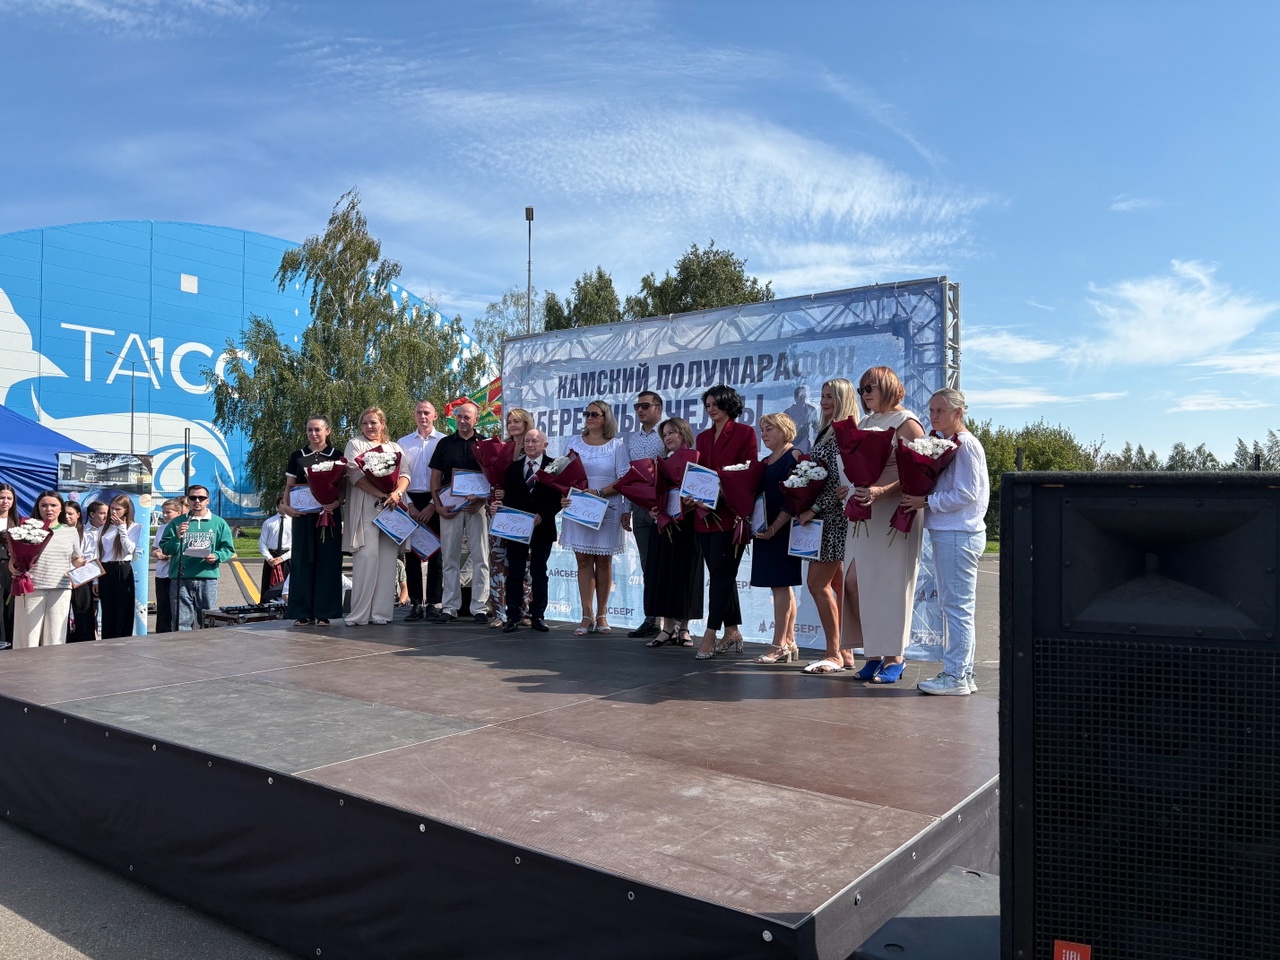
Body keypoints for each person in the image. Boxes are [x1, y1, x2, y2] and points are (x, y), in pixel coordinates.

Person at [841, 366, 926, 683]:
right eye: (861, 389)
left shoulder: (908, 423)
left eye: (870, 387)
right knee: (854, 581)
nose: (864, 394)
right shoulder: (865, 422)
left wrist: (882, 491)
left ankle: (894, 658)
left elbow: (918, 473)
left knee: (890, 585)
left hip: (895, 513)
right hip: (865, 511)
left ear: (889, 386)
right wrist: (848, 488)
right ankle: (873, 653)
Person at [902, 388, 989, 696]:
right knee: (954, 605)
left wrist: (927, 501)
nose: (933, 416)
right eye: (931, 410)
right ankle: (963, 673)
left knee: (957, 607)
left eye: (940, 410)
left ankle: (956, 675)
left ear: (958, 413)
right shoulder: (950, 443)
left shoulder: (965, 445)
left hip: (958, 533)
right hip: (951, 532)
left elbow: (967, 493)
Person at [692, 384, 759, 659]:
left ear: (728, 404)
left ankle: (709, 634)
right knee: (721, 575)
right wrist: (693, 494)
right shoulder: (703, 437)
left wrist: (721, 490)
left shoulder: (745, 432)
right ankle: (732, 630)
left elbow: (748, 471)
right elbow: (697, 473)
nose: (711, 409)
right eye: (707, 405)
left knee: (722, 575)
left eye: (716, 403)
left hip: (731, 514)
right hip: (703, 515)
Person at [796, 379, 857, 674]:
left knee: (817, 584)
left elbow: (839, 484)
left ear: (844, 399)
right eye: (822, 396)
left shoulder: (844, 433)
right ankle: (845, 651)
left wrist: (814, 508)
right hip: (829, 518)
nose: (824, 401)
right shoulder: (826, 431)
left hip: (833, 520)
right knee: (836, 585)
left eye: (830, 396)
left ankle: (834, 652)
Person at [560, 399, 630, 636]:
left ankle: (602, 615)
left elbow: (624, 480)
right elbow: (563, 475)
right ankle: (586, 614)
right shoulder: (574, 443)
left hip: (607, 507)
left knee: (603, 561)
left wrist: (599, 492)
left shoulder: (617, 446)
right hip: (579, 508)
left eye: (594, 414)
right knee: (582, 561)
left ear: (605, 417)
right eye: (587, 414)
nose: (589, 418)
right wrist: (564, 496)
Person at [343, 407, 410, 626]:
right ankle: (359, 614)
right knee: (366, 559)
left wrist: (396, 493)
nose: (369, 427)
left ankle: (381, 613)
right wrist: (381, 494)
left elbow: (405, 474)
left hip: (391, 509)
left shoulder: (394, 447)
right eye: (365, 423)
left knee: (388, 562)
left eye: (373, 422)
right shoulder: (355, 444)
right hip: (366, 507)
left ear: (382, 424)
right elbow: (354, 474)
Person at [491, 428, 561, 634]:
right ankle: (513, 616)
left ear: (544, 445)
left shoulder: (554, 467)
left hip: (542, 528)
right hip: (517, 528)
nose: (530, 445)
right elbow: (509, 497)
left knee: (539, 572)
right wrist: (500, 506)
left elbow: (559, 498)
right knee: (515, 572)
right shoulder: (513, 468)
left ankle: (537, 615)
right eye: (527, 441)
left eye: (535, 441)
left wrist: (543, 514)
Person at [642, 417, 703, 648]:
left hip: (688, 524)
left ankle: (684, 628)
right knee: (663, 573)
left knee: (687, 573)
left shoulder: (696, 458)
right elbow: (654, 493)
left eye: (671, 433)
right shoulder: (660, 463)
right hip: (664, 525)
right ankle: (667, 628)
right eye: (664, 434)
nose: (667, 438)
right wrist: (653, 508)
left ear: (683, 433)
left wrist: (692, 501)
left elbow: (704, 490)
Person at [428, 401, 490, 624]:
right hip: (450, 508)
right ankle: (450, 607)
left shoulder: (485, 444)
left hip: (476, 508)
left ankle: (480, 608)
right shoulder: (444, 444)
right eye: (459, 417)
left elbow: (492, 478)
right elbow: (435, 478)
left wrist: (482, 501)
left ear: (476, 420)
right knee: (450, 558)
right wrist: (437, 506)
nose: (462, 421)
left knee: (481, 558)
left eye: (467, 417)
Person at [282, 415, 345, 626]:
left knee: (328, 562)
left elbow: (343, 488)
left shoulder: (337, 456)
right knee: (302, 562)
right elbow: (290, 485)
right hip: (303, 516)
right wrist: (285, 505)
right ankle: (303, 612)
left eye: (318, 429)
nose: (313, 433)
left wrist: (336, 503)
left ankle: (324, 612)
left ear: (328, 431)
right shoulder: (297, 456)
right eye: (310, 430)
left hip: (329, 516)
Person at [751, 413, 803, 663]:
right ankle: (789, 641)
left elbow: (795, 497)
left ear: (784, 429)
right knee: (781, 586)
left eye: (769, 428)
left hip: (783, 530)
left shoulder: (794, 456)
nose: (764, 434)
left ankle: (778, 644)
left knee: (781, 586)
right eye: (762, 429)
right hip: (766, 529)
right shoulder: (766, 460)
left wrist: (775, 527)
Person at [9, 491, 85, 648]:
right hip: (31, 588)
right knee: (27, 637)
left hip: (60, 588)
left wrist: (84, 564)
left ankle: (54, 664)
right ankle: (26, 664)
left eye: (53, 505)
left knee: (55, 637)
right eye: (44, 505)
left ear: (61, 508)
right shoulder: (27, 529)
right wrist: (15, 569)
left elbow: (76, 558)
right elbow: (14, 561)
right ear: (38, 507)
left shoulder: (71, 531)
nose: (49, 509)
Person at [161, 484, 236, 631]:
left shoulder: (219, 523)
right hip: (181, 577)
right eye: (193, 497)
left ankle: (207, 645)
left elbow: (228, 549)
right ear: (188, 500)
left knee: (208, 620)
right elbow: (166, 548)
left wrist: (217, 555)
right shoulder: (177, 522)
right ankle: (183, 645)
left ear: (208, 500)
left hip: (207, 577)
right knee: (181, 622)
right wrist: (177, 536)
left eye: (201, 498)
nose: (197, 501)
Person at [486, 407, 535, 629]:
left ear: (526, 423)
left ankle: (523, 610)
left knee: (524, 564)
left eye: (516, 421)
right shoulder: (500, 448)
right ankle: (499, 612)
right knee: (497, 563)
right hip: (499, 513)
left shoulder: (532, 448)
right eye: (509, 422)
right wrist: (495, 498)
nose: (512, 425)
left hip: (523, 515)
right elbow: (492, 480)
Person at [625, 390, 666, 638]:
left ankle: (673, 623)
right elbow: (628, 476)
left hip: (665, 508)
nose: (640, 410)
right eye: (637, 406)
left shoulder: (669, 432)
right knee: (647, 564)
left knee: (668, 565)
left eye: (645, 406)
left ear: (658, 409)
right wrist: (626, 509)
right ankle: (651, 618)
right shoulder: (632, 439)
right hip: (640, 508)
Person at [398, 400, 443, 622]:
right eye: (419, 412)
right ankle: (415, 603)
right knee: (412, 555)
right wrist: (410, 505)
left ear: (435, 416)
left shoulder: (443, 441)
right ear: (414, 415)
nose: (423, 416)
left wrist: (434, 504)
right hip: (411, 499)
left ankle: (434, 603)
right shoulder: (403, 442)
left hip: (437, 499)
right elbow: (398, 476)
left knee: (436, 555)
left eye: (427, 412)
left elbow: (447, 476)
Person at [97, 494, 142, 639]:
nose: (114, 512)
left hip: (122, 567)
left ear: (126, 510)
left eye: (118, 509)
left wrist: (122, 529)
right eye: (112, 508)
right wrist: (96, 579)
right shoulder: (104, 527)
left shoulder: (134, 527)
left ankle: (123, 638)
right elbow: (99, 553)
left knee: (124, 607)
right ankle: (107, 639)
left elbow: (129, 549)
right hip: (106, 568)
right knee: (108, 607)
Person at [63, 502, 96, 643]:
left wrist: (94, 580)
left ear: (78, 514)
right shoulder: (57, 532)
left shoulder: (87, 533)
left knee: (83, 613)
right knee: (62, 613)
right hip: (61, 578)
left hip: (82, 578)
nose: (67, 516)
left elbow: (92, 557)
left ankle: (85, 642)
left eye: (70, 513)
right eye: (64, 513)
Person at [151, 497, 185, 634]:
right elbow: (154, 548)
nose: (165, 515)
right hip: (161, 573)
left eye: (168, 512)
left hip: (174, 573)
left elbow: (183, 550)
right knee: (162, 607)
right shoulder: (162, 528)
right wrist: (156, 553)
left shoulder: (182, 528)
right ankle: (161, 633)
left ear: (178, 513)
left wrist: (167, 555)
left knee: (175, 607)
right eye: (163, 512)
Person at [0, 483, 23, 650]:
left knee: (11, 608)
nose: (5, 501)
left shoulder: (18, 523)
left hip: (11, 570)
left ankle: (11, 643)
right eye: (1, 497)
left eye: (9, 498)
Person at [257, 495, 292, 603]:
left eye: (288, 503)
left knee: (287, 586)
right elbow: (262, 542)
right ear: (278, 505)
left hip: (287, 558)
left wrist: (282, 558)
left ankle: (288, 607)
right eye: (282, 503)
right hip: (272, 557)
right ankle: (266, 606)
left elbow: (297, 544)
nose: (285, 506)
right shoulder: (269, 522)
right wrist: (269, 558)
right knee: (268, 585)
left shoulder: (294, 522)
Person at [784, 385, 819, 455]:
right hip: (791, 445)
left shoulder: (811, 410)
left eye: (803, 396)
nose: (802, 399)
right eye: (799, 397)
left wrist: (818, 444)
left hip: (804, 445)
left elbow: (816, 428)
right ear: (795, 398)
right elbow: (783, 431)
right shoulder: (788, 412)